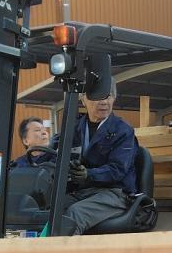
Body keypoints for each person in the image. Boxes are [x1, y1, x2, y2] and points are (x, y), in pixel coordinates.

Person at [52, 80, 137, 236]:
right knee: (51, 208)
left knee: (75, 214)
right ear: (83, 99)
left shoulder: (123, 131)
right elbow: (54, 154)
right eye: (98, 97)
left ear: (114, 98)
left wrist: (89, 174)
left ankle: (64, 251)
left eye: (108, 96)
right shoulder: (73, 128)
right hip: (84, 192)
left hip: (115, 193)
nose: (104, 102)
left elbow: (118, 169)